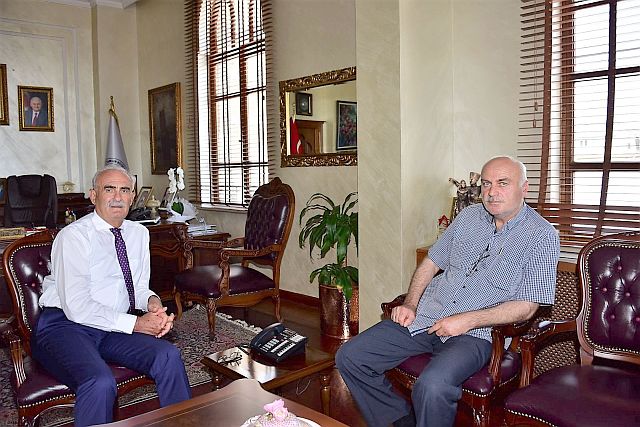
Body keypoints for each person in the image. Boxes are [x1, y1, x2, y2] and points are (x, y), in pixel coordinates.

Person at [336, 156, 559, 427]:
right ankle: (400, 421)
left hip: (476, 335)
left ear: (524, 188)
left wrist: (468, 320)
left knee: (433, 386)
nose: (491, 192)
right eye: (486, 184)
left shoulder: (542, 235)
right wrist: (411, 303)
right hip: (427, 316)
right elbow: (430, 263)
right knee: (351, 356)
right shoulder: (468, 217)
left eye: (503, 183)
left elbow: (528, 306)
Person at [33, 165, 191, 427]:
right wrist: (137, 324)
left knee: (167, 356)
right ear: (94, 195)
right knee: (99, 381)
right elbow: (77, 307)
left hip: (112, 325)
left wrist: (152, 304)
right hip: (64, 326)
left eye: (124, 190)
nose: (118, 197)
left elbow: (138, 288)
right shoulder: (73, 237)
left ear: (133, 197)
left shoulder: (139, 234)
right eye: (109, 189)